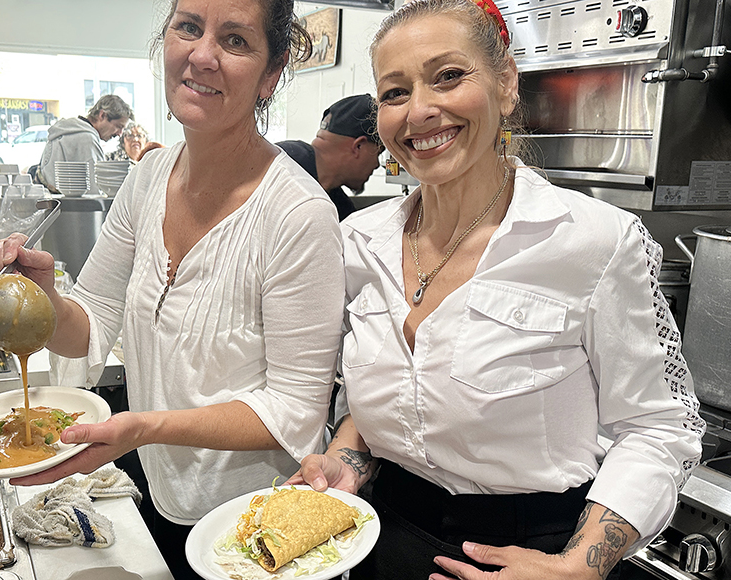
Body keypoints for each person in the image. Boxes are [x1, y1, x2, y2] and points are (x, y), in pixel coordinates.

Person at [287, 1, 704, 579]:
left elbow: (658, 428)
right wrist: (347, 459)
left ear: (506, 83)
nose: (419, 111)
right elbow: (396, 390)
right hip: (385, 537)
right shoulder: (359, 241)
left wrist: (579, 566)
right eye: (395, 92)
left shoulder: (592, 241)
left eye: (447, 76)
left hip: (537, 552)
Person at [0, 0, 342, 576]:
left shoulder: (298, 214)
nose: (201, 56)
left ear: (271, 72)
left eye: (235, 40)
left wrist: (145, 426)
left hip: (255, 524)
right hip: (159, 491)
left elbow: (294, 411)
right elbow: (90, 322)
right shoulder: (148, 178)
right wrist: (44, 296)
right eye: (189, 27)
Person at [278, 94, 385, 221]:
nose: (377, 165)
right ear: (358, 146)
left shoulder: (339, 206)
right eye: (378, 153)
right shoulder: (283, 164)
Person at [35, 94, 132, 192]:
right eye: (118, 126)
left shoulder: (61, 132)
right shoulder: (87, 139)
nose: (120, 134)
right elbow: (94, 190)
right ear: (102, 115)